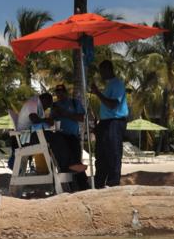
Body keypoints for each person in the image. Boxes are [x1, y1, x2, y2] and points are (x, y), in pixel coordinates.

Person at [16, 92, 86, 180]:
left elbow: (38, 122)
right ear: (44, 100)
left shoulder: (37, 105)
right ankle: (67, 166)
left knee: (60, 137)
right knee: (56, 138)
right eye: (47, 105)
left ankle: (70, 164)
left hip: (31, 135)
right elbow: (34, 119)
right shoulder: (32, 103)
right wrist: (46, 120)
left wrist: (46, 121)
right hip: (25, 138)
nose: (46, 108)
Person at [90, 60, 129, 188]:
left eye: (102, 71)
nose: (101, 74)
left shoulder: (117, 84)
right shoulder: (109, 85)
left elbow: (112, 105)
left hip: (115, 122)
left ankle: (113, 182)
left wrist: (97, 93)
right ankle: (100, 182)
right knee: (101, 153)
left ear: (108, 69)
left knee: (113, 152)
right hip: (106, 122)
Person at [51, 84, 89, 191]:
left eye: (61, 92)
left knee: (76, 162)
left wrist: (65, 114)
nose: (59, 94)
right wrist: (55, 115)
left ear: (65, 92)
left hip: (72, 137)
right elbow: (51, 121)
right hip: (60, 138)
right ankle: (69, 188)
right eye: (57, 92)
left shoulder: (73, 103)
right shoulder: (54, 105)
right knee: (64, 164)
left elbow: (81, 118)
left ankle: (83, 186)